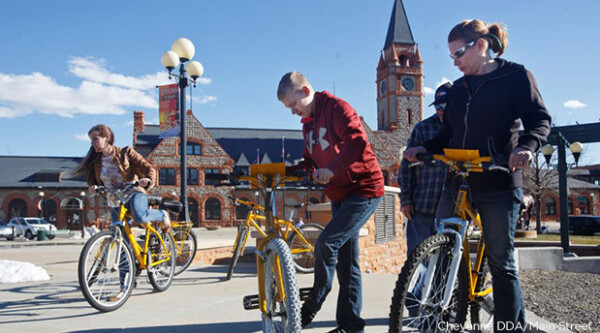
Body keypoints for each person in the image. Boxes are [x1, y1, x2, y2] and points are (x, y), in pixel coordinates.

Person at [404, 20, 551, 332]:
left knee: (501, 262)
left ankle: (509, 327)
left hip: (498, 179)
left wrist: (525, 148)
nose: (455, 62)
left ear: (481, 45)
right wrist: (422, 148)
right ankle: (436, 320)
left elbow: (539, 120)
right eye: (452, 56)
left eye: (458, 53)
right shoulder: (458, 89)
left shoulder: (516, 76)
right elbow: (449, 134)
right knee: (442, 250)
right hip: (458, 181)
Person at [278, 71, 384, 333]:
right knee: (348, 263)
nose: (292, 112)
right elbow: (309, 161)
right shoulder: (308, 124)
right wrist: (282, 172)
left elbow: (357, 142)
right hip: (339, 194)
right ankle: (351, 326)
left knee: (326, 243)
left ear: (305, 91)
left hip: (364, 188)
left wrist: (333, 168)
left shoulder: (337, 108)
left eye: (293, 105)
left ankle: (315, 299)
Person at [73, 124, 171, 300]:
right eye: (91, 140)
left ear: (107, 137)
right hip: (115, 199)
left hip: (134, 192)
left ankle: (162, 215)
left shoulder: (125, 152)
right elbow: (92, 182)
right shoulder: (96, 161)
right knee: (122, 244)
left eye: (96, 138)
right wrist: (93, 188)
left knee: (140, 216)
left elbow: (148, 167)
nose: (93, 143)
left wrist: (147, 180)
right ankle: (124, 287)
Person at [399, 82, 451, 254]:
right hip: (422, 206)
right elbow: (406, 166)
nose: (440, 111)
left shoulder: (463, 129)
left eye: (445, 106)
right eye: (437, 107)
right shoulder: (422, 128)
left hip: (452, 210)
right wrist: (405, 199)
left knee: (446, 263)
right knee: (417, 261)